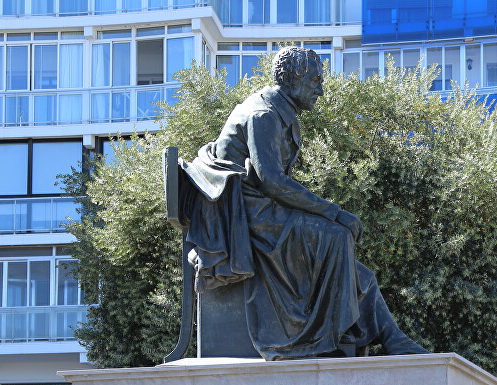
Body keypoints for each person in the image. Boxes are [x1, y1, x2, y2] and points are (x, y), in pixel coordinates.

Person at [179, 46, 427, 360]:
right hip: (246, 218)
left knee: (357, 271)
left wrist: (328, 214)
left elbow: (271, 183)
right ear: (289, 79)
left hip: (258, 209)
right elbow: (271, 181)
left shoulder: (276, 109)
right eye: (314, 81)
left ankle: (391, 337)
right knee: (336, 236)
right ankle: (327, 337)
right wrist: (335, 212)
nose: (320, 90)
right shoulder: (264, 114)